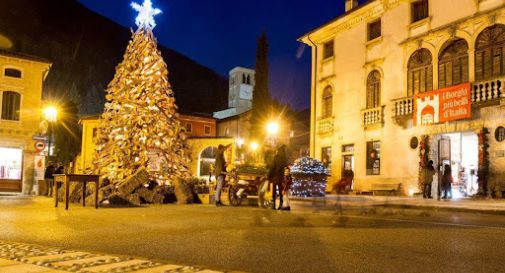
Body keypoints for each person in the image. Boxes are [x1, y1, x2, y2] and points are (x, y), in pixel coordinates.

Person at [268, 145, 288, 210]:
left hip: (276, 176)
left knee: (274, 190)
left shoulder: (276, 157)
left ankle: (273, 204)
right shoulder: (285, 158)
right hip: (282, 177)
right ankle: (281, 204)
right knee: (281, 190)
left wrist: (269, 176)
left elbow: (272, 167)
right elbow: (286, 167)